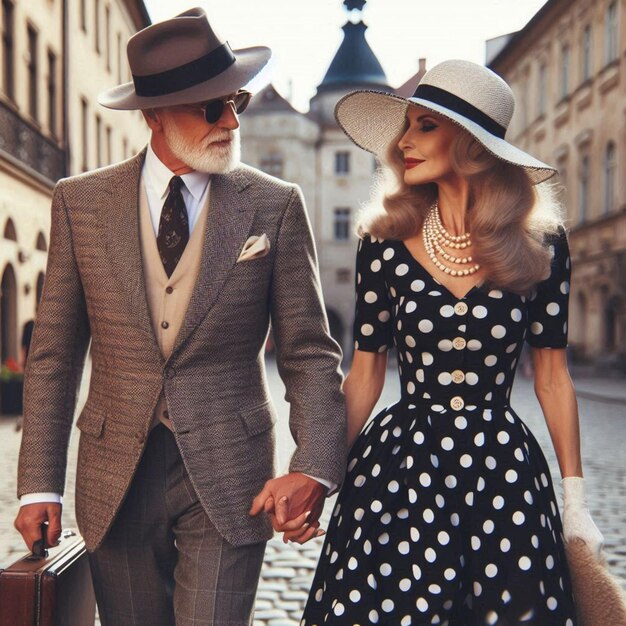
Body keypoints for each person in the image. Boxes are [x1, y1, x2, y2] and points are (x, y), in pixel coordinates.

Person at [14, 8, 346, 625]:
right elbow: (55, 353)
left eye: (235, 100)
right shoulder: (79, 204)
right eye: (210, 107)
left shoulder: (274, 206)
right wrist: (39, 483)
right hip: (116, 473)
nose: (231, 120)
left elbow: (308, 351)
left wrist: (315, 466)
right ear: (154, 113)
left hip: (232, 475)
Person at [300, 60, 603, 625]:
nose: (405, 141)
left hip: (504, 473)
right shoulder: (383, 243)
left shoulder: (543, 246)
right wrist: (321, 473)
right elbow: (365, 374)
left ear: (473, 144)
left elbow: (553, 377)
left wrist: (576, 502)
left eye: (425, 126)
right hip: (400, 470)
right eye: (406, 126)